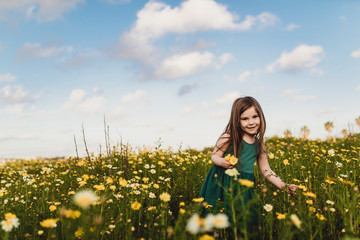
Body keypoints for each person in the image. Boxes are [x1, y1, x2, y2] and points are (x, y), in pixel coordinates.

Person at [199, 96, 297, 230]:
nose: (251, 122)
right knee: (218, 219)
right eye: (245, 119)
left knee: (243, 222)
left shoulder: (259, 145)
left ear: (261, 117)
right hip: (223, 181)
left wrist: (283, 185)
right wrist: (222, 162)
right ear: (237, 121)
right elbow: (214, 156)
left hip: (244, 186)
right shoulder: (229, 136)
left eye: (255, 117)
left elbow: (266, 170)